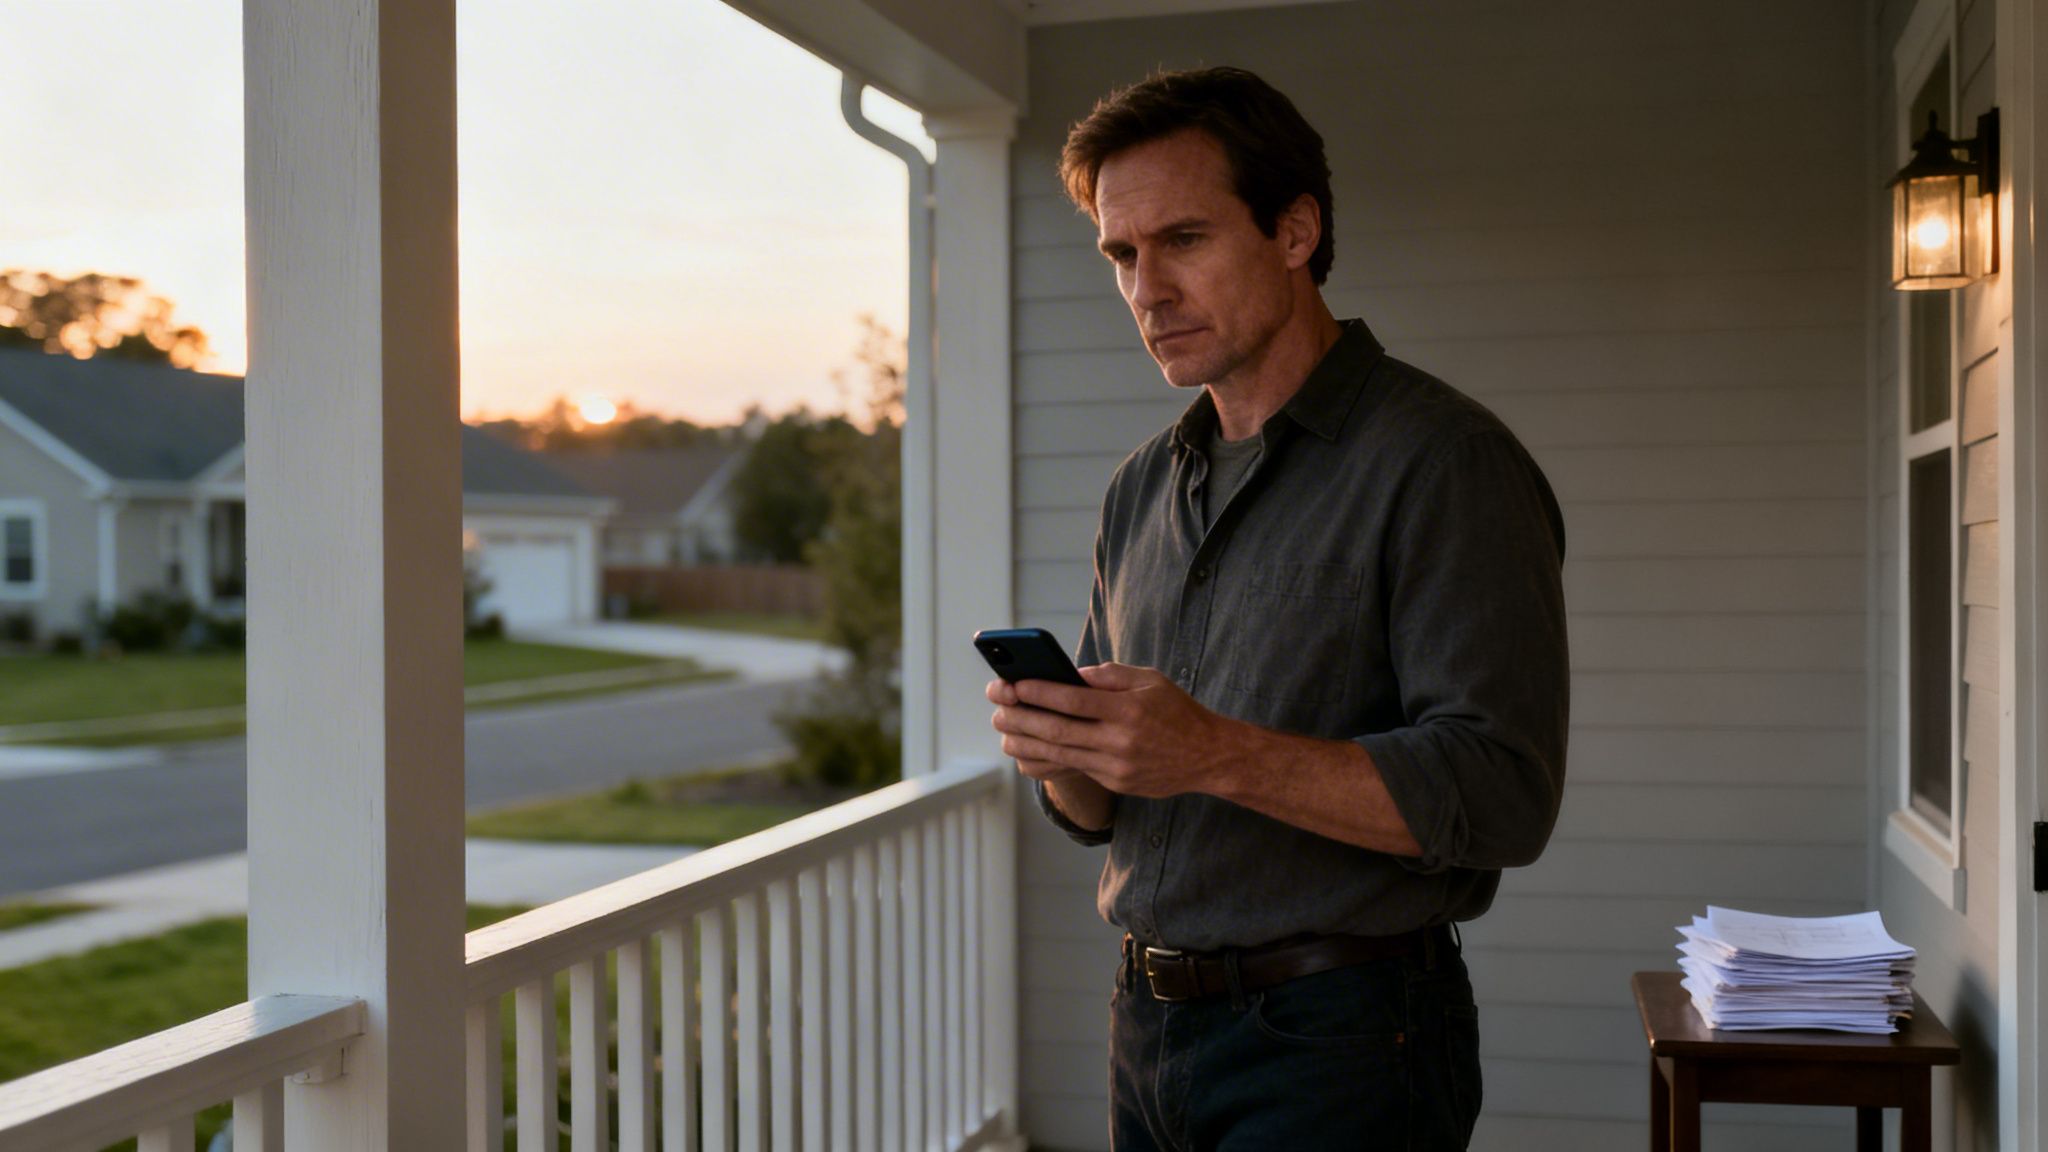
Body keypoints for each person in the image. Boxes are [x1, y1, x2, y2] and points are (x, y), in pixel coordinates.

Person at [986, 66, 1569, 1150]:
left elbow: (1501, 796)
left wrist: (1209, 752)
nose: (1144, 289)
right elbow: (1104, 811)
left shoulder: (1443, 464)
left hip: (1340, 1043)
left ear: (1294, 232)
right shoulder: (1139, 488)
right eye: (1121, 253)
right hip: (1145, 1027)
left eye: (1183, 240)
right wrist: (1060, 749)